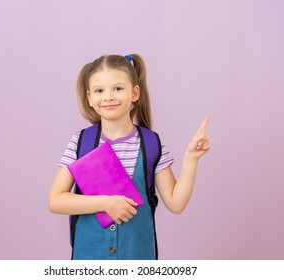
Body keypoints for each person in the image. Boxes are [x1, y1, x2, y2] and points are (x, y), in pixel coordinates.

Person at [48, 54, 210, 260]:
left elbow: (176, 204)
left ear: (135, 93)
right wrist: (105, 204)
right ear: (89, 98)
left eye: (118, 88)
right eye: (99, 90)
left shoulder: (152, 144)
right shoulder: (80, 143)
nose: (108, 97)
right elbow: (55, 200)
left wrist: (191, 159)